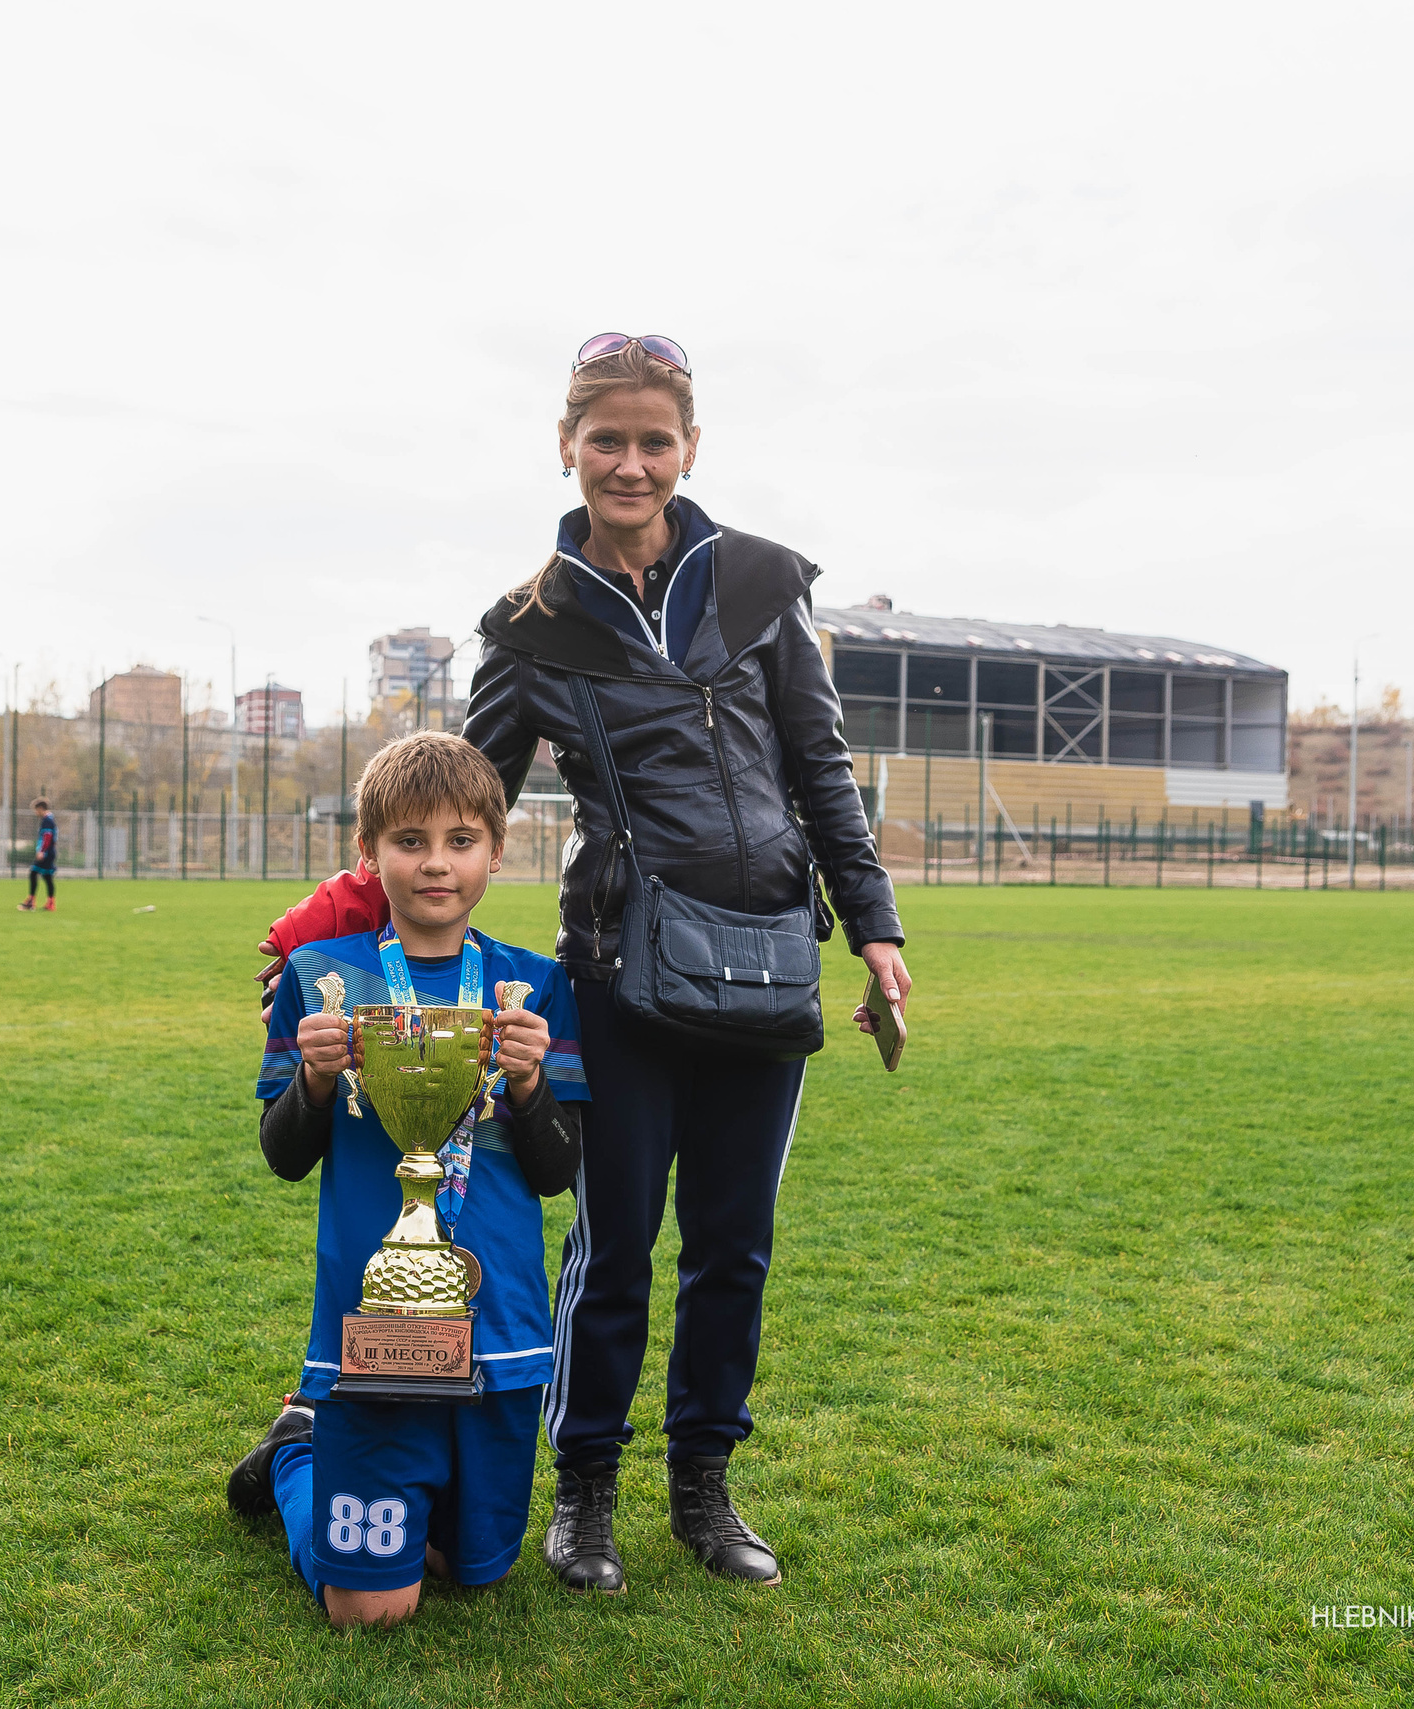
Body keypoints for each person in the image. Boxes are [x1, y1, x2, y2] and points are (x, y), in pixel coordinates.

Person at [256, 335, 910, 1593]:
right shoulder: (535, 624)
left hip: (769, 963)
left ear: (690, 450)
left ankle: (705, 1486)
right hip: (619, 971)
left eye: (652, 439)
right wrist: (318, 924)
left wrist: (871, 922)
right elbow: (458, 797)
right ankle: (588, 1493)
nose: (629, 461)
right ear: (567, 447)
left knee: (737, 1243)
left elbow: (822, 769)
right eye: (604, 438)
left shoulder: (767, 585)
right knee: (613, 1243)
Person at [226, 731, 587, 1628]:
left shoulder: (535, 987)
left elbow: (557, 1171)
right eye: (410, 841)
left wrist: (533, 1085)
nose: (437, 864)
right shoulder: (320, 979)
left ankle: (389, 1489)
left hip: (496, 1331)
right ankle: (296, 1457)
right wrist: (311, 1082)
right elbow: (283, 1154)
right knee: (372, 1608)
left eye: (461, 841)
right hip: (369, 1336)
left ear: (497, 852)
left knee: (477, 1572)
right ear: (369, 853)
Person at [18, 797, 57, 912]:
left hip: (46, 853)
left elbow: (47, 836)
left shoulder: (47, 820)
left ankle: (31, 901)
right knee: (47, 877)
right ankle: (50, 903)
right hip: (50, 852)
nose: (36, 813)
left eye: (36, 810)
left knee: (33, 873)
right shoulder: (50, 819)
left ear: (41, 809)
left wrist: (42, 851)